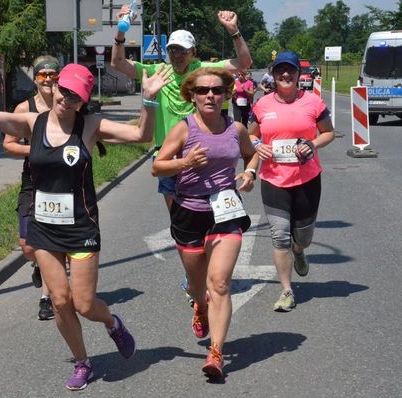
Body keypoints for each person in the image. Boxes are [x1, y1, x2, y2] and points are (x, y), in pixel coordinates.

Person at [0, 41, 173, 390]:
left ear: (83, 100)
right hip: (44, 227)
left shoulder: (91, 126)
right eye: (63, 90)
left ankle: (112, 323)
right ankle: (83, 363)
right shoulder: (32, 122)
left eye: (75, 96)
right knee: (60, 301)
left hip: (81, 228)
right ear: (55, 87)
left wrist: (150, 97)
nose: (66, 99)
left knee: (83, 303)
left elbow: (141, 134)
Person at [152, 67, 259, 378]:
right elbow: (157, 168)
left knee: (221, 283)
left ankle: (216, 352)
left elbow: (252, 155)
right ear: (192, 96)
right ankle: (200, 305)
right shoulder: (184, 129)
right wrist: (185, 162)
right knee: (199, 287)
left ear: (226, 94)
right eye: (202, 91)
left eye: (216, 90)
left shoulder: (236, 129)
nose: (210, 95)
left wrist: (250, 173)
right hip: (188, 213)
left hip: (226, 212)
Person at [111, 9, 252, 211]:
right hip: (168, 157)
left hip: (201, 154)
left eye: (182, 51)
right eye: (173, 50)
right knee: (179, 222)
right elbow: (117, 63)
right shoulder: (157, 72)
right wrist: (120, 32)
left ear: (193, 52)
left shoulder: (203, 71)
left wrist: (233, 30)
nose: (176, 55)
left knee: (209, 216)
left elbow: (244, 63)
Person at [249, 51, 335, 312]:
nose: (285, 75)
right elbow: (250, 135)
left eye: (290, 71)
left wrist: (312, 143)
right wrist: (256, 145)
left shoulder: (313, 102)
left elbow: (329, 133)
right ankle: (286, 290)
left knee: (303, 237)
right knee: (279, 236)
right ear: (273, 74)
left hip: (307, 180)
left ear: (299, 74)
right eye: (279, 71)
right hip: (274, 180)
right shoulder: (262, 105)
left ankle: (300, 251)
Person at [2, 55, 59, 321]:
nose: (48, 79)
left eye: (52, 74)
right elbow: (8, 144)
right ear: (35, 78)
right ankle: (36, 264)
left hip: (60, 182)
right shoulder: (23, 108)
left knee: (48, 241)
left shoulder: (67, 105)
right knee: (27, 246)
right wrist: (37, 150)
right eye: (43, 75)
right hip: (33, 180)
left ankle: (46, 298)